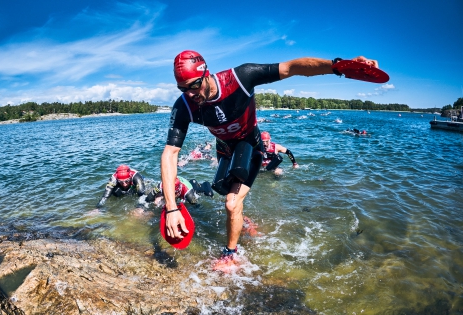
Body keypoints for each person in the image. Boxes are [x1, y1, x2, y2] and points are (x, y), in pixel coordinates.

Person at [160, 50, 379, 265]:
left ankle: (230, 255)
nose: (189, 93)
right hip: (224, 148)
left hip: (249, 143)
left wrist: (337, 66)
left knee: (231, 203)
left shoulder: (240, 78)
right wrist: (171, 208)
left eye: (194, 85)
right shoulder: (184, 105)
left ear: (207, 74)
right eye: (182, 88)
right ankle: (245, 221)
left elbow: (292, 68)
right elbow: (170, 153)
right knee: (221, 189)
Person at [146, 176, 213, 205]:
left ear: (177, 193)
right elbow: (147, 199)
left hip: (189, 186)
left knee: (206, 194)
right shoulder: (161, 185)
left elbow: (197, 206)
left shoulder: (187, 192)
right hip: (176, 183)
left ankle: (204, 184)